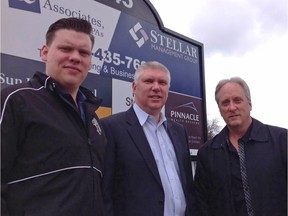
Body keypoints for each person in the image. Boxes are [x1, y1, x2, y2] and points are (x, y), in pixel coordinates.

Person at [1, 17, 107, 216]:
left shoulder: (93, 119)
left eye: (83, 52)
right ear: (45, 52)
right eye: (66, 49)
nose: (75, 57)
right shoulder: (17, 100)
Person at [101, 61, 197, 216]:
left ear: (168, 89)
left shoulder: (179, 131)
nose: (156, 87)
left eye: (162, 82)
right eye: (148, 81)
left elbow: (187, 186)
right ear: (134, 87)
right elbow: (105, 192)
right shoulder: (111, 128)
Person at [194, 77, 287, 216]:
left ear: (249, 104)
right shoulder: (207, 154)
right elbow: (202, 205)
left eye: (237, 100)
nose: (232, 108)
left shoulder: (281, 140)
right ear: (220, 110)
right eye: (225, 103)